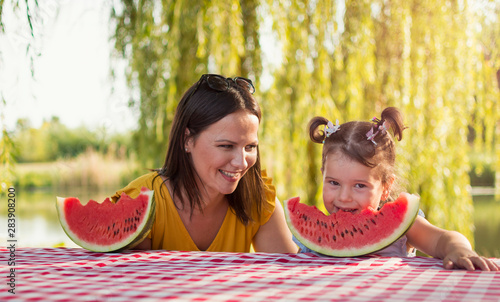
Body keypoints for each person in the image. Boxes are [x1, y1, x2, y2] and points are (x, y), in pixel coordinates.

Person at [294, 107, 499, 271]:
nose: (344, 196)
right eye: (334, 183)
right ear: (323, 174)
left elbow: (443, 239)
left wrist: (460, 249)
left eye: (359, 185)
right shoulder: (311, 232)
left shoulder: (405, 228)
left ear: (385, 187)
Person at [111, 73, 297, 253]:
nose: (241, 163)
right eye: (226, 146)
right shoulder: (141, 200)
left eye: (250, 147)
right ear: (187, 140)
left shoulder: (257, 198)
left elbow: (288, 275)